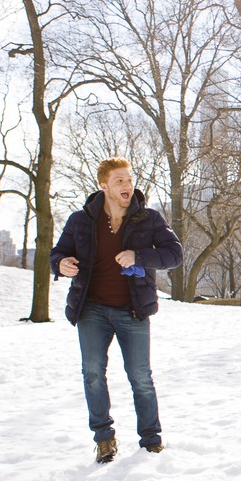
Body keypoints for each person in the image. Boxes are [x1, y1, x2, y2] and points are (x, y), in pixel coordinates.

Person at [50, 158, 184, 464]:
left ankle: (151, 440)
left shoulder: (148, 219)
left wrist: (139, 256)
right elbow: (57, 253)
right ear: (104, 185)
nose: (127, 186)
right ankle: (104, 439)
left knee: (140, 377)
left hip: (133, 310)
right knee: (93, 374)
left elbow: (174, 254)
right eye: (120, 181)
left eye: (129, 179)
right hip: (92, 310)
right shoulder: (80, 221)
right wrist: (60, 264)